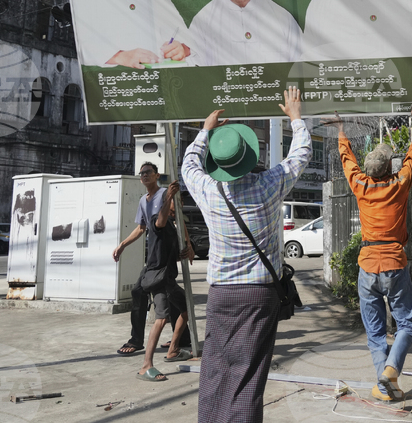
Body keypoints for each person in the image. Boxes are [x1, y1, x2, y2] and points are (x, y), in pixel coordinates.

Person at [181, 87, 311, 422]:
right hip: (258, 294)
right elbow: (300, 156)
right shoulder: (269, 185)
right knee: (248, 376)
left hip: (221, 294)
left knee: (215, 370)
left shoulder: (208, 190)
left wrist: (204, 131)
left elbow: (188, 165)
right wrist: (296, 118)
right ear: (250, 157)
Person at [329, 99, 412, 402]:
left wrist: (342, 131)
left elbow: (347, 160)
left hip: (367, 264)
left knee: (374, 330)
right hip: (394, 261)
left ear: (370, 172)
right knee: (408, 324)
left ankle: (385, 385)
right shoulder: (398, 186)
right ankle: (391, 371)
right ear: (388, 168)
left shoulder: (361, 185)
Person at [113, 162, 193, 358]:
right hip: (155, 254)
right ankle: (179, 339)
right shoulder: (143, 201)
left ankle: (140, 342)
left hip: (165, 252)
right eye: (141, 173)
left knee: (156, 293)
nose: (144, 175)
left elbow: (179, 219)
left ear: (157, 175)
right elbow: (141, 228)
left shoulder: (166, 193)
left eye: (148, 172)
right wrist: (122, 244)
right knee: (158, 292)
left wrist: (188, 245)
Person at [135, 180, 193, 382]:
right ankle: (145, 366)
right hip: (157, 277)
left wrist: (185, 250)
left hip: (168, 277)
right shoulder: (157, 219)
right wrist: (168, 195)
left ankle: (174, 349)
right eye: (175, 202)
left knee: (187, 309)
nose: (179, 206)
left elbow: (174, 253)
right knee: (161, 319)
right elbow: (159, 222)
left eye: (181, 203)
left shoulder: (173, 225)